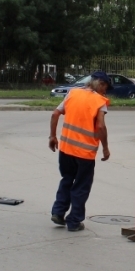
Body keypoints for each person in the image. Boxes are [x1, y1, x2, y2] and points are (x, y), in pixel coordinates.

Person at [49, 71, 111, 231]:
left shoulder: (73, 93)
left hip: (66, 149)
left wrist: (52, 136)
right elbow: (101, 126)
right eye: (106, 87)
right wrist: (105, 148)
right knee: (81, 186)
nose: (106, 91)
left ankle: (58, 212)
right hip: (85, 153)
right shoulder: (100, 101)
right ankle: (74, 221)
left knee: (67, 179)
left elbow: (55, 114)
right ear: (101, 84)